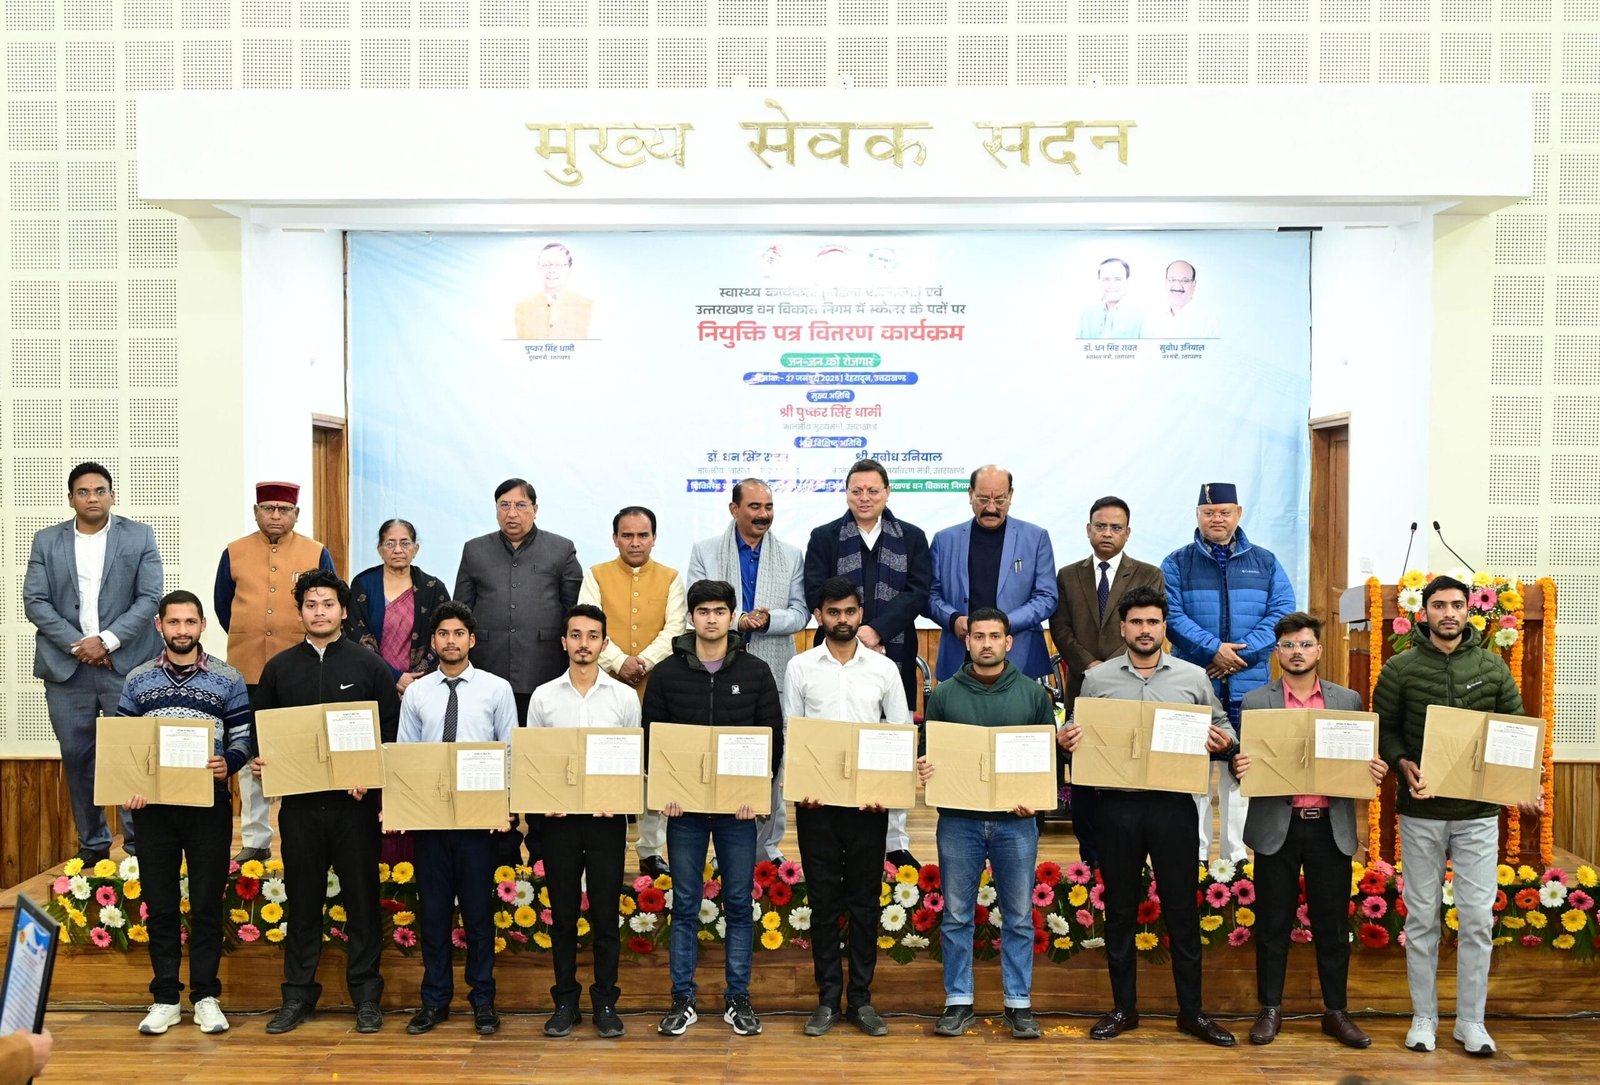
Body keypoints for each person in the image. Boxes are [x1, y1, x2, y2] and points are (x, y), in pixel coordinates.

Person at [1062, 586, 1238, 1047]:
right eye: (1136, 622)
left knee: (1181, 909)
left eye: (1153, 622)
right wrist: (1067, 737)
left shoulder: (1192, 677)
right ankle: (1124, 1009)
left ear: (1165, 628)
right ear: (1123, 628)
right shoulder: (1098, 679)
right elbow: (1077, 727)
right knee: (1120, 910)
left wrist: (1224, 740)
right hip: (1115, 806)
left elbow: (1221, 724)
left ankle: (1192, 1013)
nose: (1145, 630)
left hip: (1172, 806)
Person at [1375, 575, 1541, 1058]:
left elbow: (1514, 728)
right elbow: (1385, 730)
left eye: (1456, 605)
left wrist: (1525, 783)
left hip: (1478, 815)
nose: (1448, 613)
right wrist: (1402, 763)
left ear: (1470, 611)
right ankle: (1423, 1017)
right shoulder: (1400, 668)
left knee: (1476, 920)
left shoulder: (1492, 667)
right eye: (1439, 605)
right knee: (1422, 918)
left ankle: (1471, 1021)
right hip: (1421, 812)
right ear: (1423, 612)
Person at [252, 569, 400, 1036]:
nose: (320, 612)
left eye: (328, 604)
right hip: (299, 808)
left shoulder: (369, 666)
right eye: (311, 605)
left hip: (354, 809)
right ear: (300, 612)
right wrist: (262, 761)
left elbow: (390, 735)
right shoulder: (279, 669)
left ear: (343, 611)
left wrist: (369, 774)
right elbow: (263, 732)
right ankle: (297, 996)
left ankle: (367, 998)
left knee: (362, 902)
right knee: (302, 902)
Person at [1231, 612, 1385, 1049]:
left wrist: (1371, 769)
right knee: (1272, 923)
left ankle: (1336, 1012)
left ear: (1319, 649)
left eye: (1304, 645)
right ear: (1276, 652)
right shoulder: (1257, 701)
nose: (1296, 652)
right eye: (1288, 646)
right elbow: (1248, 763)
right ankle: (1270, 1009)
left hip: (1329, 827)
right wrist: (1239, 764)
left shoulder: (1347, 700)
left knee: (1332, 926)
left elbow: (1358, 759)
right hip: (1277, 826)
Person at [643, 580, 783, 1038]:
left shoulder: (757, 671)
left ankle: (738, 998)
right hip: (682, 812)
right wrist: (664, 791)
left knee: (739, 903)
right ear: (691, 618)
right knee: (685, 904)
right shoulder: (666, 674)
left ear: (731, 617)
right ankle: (682, 1000)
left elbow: (772, 739)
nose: (711, 619)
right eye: (703, 611)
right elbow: (652, 739)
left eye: (720, 611)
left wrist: (756, 796)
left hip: (736, 813)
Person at [783, 577, 916, 1038]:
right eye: (833, 612)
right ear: (819, 615)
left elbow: (898, 732)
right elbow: (792, 732)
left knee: (863, 903)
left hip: (868, 805)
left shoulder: (884, 669)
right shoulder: (800, 667)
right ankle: (826, 999)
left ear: (861, 614)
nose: (842, 620)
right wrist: (801, 785)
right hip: (816, 804)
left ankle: (860, 999)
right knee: (823, 903)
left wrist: (886, 792)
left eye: (850, 611)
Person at [116, 590, 253, 1037]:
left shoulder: (228, 678)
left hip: (208, 805)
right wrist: (130, 787)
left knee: (207, 903)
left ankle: (206, 997)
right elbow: (124, 746)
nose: (182, 630)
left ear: (202, 626)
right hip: (154, 810)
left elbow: (243, 737)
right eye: (173, 622)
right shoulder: (137, 680)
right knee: (160, 905)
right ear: (160, 625)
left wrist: (228, 763)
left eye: (190, 622)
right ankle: (165, 999)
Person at [923, 609, 1056, 1041]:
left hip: (1015, 823)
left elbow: (1046, 760)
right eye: (978, 636)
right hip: (958, 821)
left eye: (994, 636)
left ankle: (1018, 1004)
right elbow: (928, 750)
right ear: (967, 642)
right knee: (957, 915)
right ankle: (958, 1001)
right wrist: (925, 766)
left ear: (1008, 642)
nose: (986, 643)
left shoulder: (1032, 694)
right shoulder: (945, 694)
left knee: (1018, 917)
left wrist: (1034, 798)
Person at [24, 461, 163, 864]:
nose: (92, 498)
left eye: (100, 490)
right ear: (71, 499)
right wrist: (79, 646)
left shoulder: (139, 535)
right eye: (83, 492)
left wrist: (106, 641)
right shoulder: (46, 541)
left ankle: (137, 846)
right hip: (67, 669)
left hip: (125, 666)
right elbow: (35, 601)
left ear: (112, 495)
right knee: (78, 757)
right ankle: (94, 843)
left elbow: (150, 597)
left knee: (131, 756)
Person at [395, 601, 517, 1038]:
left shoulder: (496, 689)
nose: (451, 640)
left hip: (478, 823)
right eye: (443, 633)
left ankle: (483, 1001)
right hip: (431, 822)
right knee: (433, 916)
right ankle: (434, 1001)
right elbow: (406, 757)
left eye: (459, 633)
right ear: (433, 641)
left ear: (472, 640)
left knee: (479, 916)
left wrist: (505, 807)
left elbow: (509, 752)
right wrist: (404, 808)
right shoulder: (417, 693)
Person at [804, 457, 931, 870]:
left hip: (894, 654)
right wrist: (853, 636)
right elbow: (815, 591)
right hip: (835, 655)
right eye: (856, 491)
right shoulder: (824, 537)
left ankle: (895, 840)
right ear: (846, 494)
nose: (864, 498)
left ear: (887, 492)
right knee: (837, 741)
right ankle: (837, 826)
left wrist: (875, 633)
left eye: (873, 490)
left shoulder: (911, 537)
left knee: (892, 744)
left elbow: (918, 592)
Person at [1161, 482, 1295, 863]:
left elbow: (1282, 611)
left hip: (1249, 686)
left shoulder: (1265, 562)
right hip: (1194, 684)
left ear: (1238, 513)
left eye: (1224, 512)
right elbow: (1171, 616)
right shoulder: (1176, 563)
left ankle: (1236, 860)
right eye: (1208, 513)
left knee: (1241, 773)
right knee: (1194, 777)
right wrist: (1213, 650)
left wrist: (1239, 654)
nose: (1216, 519)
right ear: (1197, 515)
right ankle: (1197, 858)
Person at [528, 604, 642, 1039]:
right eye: (575, 635)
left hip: (605, 821)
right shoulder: (543, 697)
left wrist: (620, 800)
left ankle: (606, 1003)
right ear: (564, 642)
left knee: (606, 914)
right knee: (562, 915)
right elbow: (534, 761)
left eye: (593, 636)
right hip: (559, 822)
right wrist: (544, 801)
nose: (583, 644)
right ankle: (565, 1002)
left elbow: (632, 758)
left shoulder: (624, 697)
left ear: (604, 643)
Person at [455, 477, 582, 864]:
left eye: (521, 505)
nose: (513, 513)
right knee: (494, 764)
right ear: (496, 510)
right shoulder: (475, 550)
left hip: (542, 675)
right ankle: (501, 853)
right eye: (505, 505)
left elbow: (573, 611)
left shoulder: (561, 549)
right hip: (489, 675)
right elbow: (462, 610)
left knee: (541, 765)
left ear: (535, 509)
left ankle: (542, 854)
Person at [688, 478, 809, 864]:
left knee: (772, 756)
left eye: (768, 507)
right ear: (734, 509)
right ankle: (718, 850)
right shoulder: (706, 551)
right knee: (720, 757)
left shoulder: (790, 555)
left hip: (773, 669)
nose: (763, 514)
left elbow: (801, 613)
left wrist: (768, 620)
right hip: (717, 671)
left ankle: (766, 848)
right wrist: (738, 620)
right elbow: (695, 609)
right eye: (754, 507)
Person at [214, 480, 336, 865]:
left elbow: (329, 600)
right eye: (268, 508)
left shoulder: (316, 552)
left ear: (296, 514)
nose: (276, 516)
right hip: (247, 670)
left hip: (301, 669)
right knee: (250, 751)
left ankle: (308, 836)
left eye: (284, 510)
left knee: (303, 748)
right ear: (256, 512)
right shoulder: (234, 552)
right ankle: (256, 837)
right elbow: (223, 606)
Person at [1047, 495, 1166, 868]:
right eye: (1100, 526)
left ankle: (1133, 861)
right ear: (1088, 530)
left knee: (1129, 773)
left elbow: (1146, 629)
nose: (1107, 533)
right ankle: (1090, 862)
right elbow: (1060, 628)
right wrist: (1091, 666)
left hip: (1134, 690)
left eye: (1116, 527)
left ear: (1128, 533)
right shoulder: (1068, 575)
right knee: (1085, 775)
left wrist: (1110, 669)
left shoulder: (1148, 574)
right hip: (1083, 687)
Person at [577, 506, 685, 878]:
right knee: (610, 768)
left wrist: (643, 662)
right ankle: (611, 847)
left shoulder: (671, 578)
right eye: (627, 535)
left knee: (655, 772)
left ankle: (651, 850)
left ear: (654, 538)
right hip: (605, 686)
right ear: (615, 539)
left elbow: (675, 630)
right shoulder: (596, 575)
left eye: (642, 535)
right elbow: (588, 624)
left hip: (658, 688)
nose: (635, 542)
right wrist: (619, 661)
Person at [925, 465, 1057, 682]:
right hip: (959, 658)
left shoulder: (1036, 538)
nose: (991, 508)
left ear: (1011, 495)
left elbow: (1047, 597)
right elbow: (930, 595)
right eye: (983, 499)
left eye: (1000, 500)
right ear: (970, 494)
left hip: (1020, 658)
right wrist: (953, 619)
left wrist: (1003, 624)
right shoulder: (945, 540)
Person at [346, 518, 452, 699]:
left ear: (415, 549)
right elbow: (357, 637)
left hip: (423, 685)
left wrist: (416, 680)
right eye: (390, 543)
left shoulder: (433, 588)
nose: (397, 550)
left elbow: (444, 634)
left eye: (405, 543)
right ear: (379, 549)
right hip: (372, 681)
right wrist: (395, 676)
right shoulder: (363, 584)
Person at [513, 241, 593, 339]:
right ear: (538, 268)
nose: (551, 270)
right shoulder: (522, 307)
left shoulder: (587, 305)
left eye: (558, 265)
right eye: (546, 265)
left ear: (569, 268)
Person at [1145, 260, 1219, 338]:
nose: (1177, 286)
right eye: (1172, 280)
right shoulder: (1151, 315)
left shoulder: (1209, 320)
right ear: (1165, 282)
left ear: (1194, 284)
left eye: (1185, 281)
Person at [1076, 257, 1143, 338]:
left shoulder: (1142, 314)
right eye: (1106, 279)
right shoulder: (1086, 313)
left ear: (1127, 281)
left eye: (1118, 279)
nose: (1111, 285)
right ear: (1099, 281)